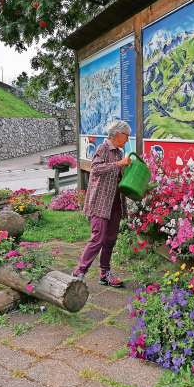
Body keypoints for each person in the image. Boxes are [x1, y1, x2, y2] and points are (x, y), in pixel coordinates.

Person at [72, 120, 132, 287]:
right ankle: (79, 272)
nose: (127, 140)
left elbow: (117, 175)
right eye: (126, 136)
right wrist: (119, 164)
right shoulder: (103, 148)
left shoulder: (119, 153)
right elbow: (96, 169)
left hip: (115, 203)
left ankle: (105, 274)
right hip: (100, 202)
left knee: (110, 239)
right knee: (97, 238)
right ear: (118, 134)